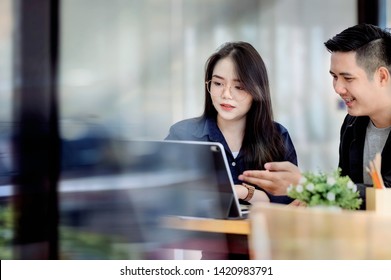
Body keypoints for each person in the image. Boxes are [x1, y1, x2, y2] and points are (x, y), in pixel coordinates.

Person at [239, 23, 391, 210]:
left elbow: (387, 197)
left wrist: (308, 185)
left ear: (382, 77)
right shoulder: (352, 124)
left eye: (348, 78)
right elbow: (348, 197)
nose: (338, 88)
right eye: (334, 77)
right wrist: (312, 198)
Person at [165, 41, 298, 206]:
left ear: (257, 90)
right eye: (218, 83)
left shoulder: (278, 137)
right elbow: (164, 193)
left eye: (239, 87)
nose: (226, 94)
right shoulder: (183, 134)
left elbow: (290, 201)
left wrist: (242, 192)